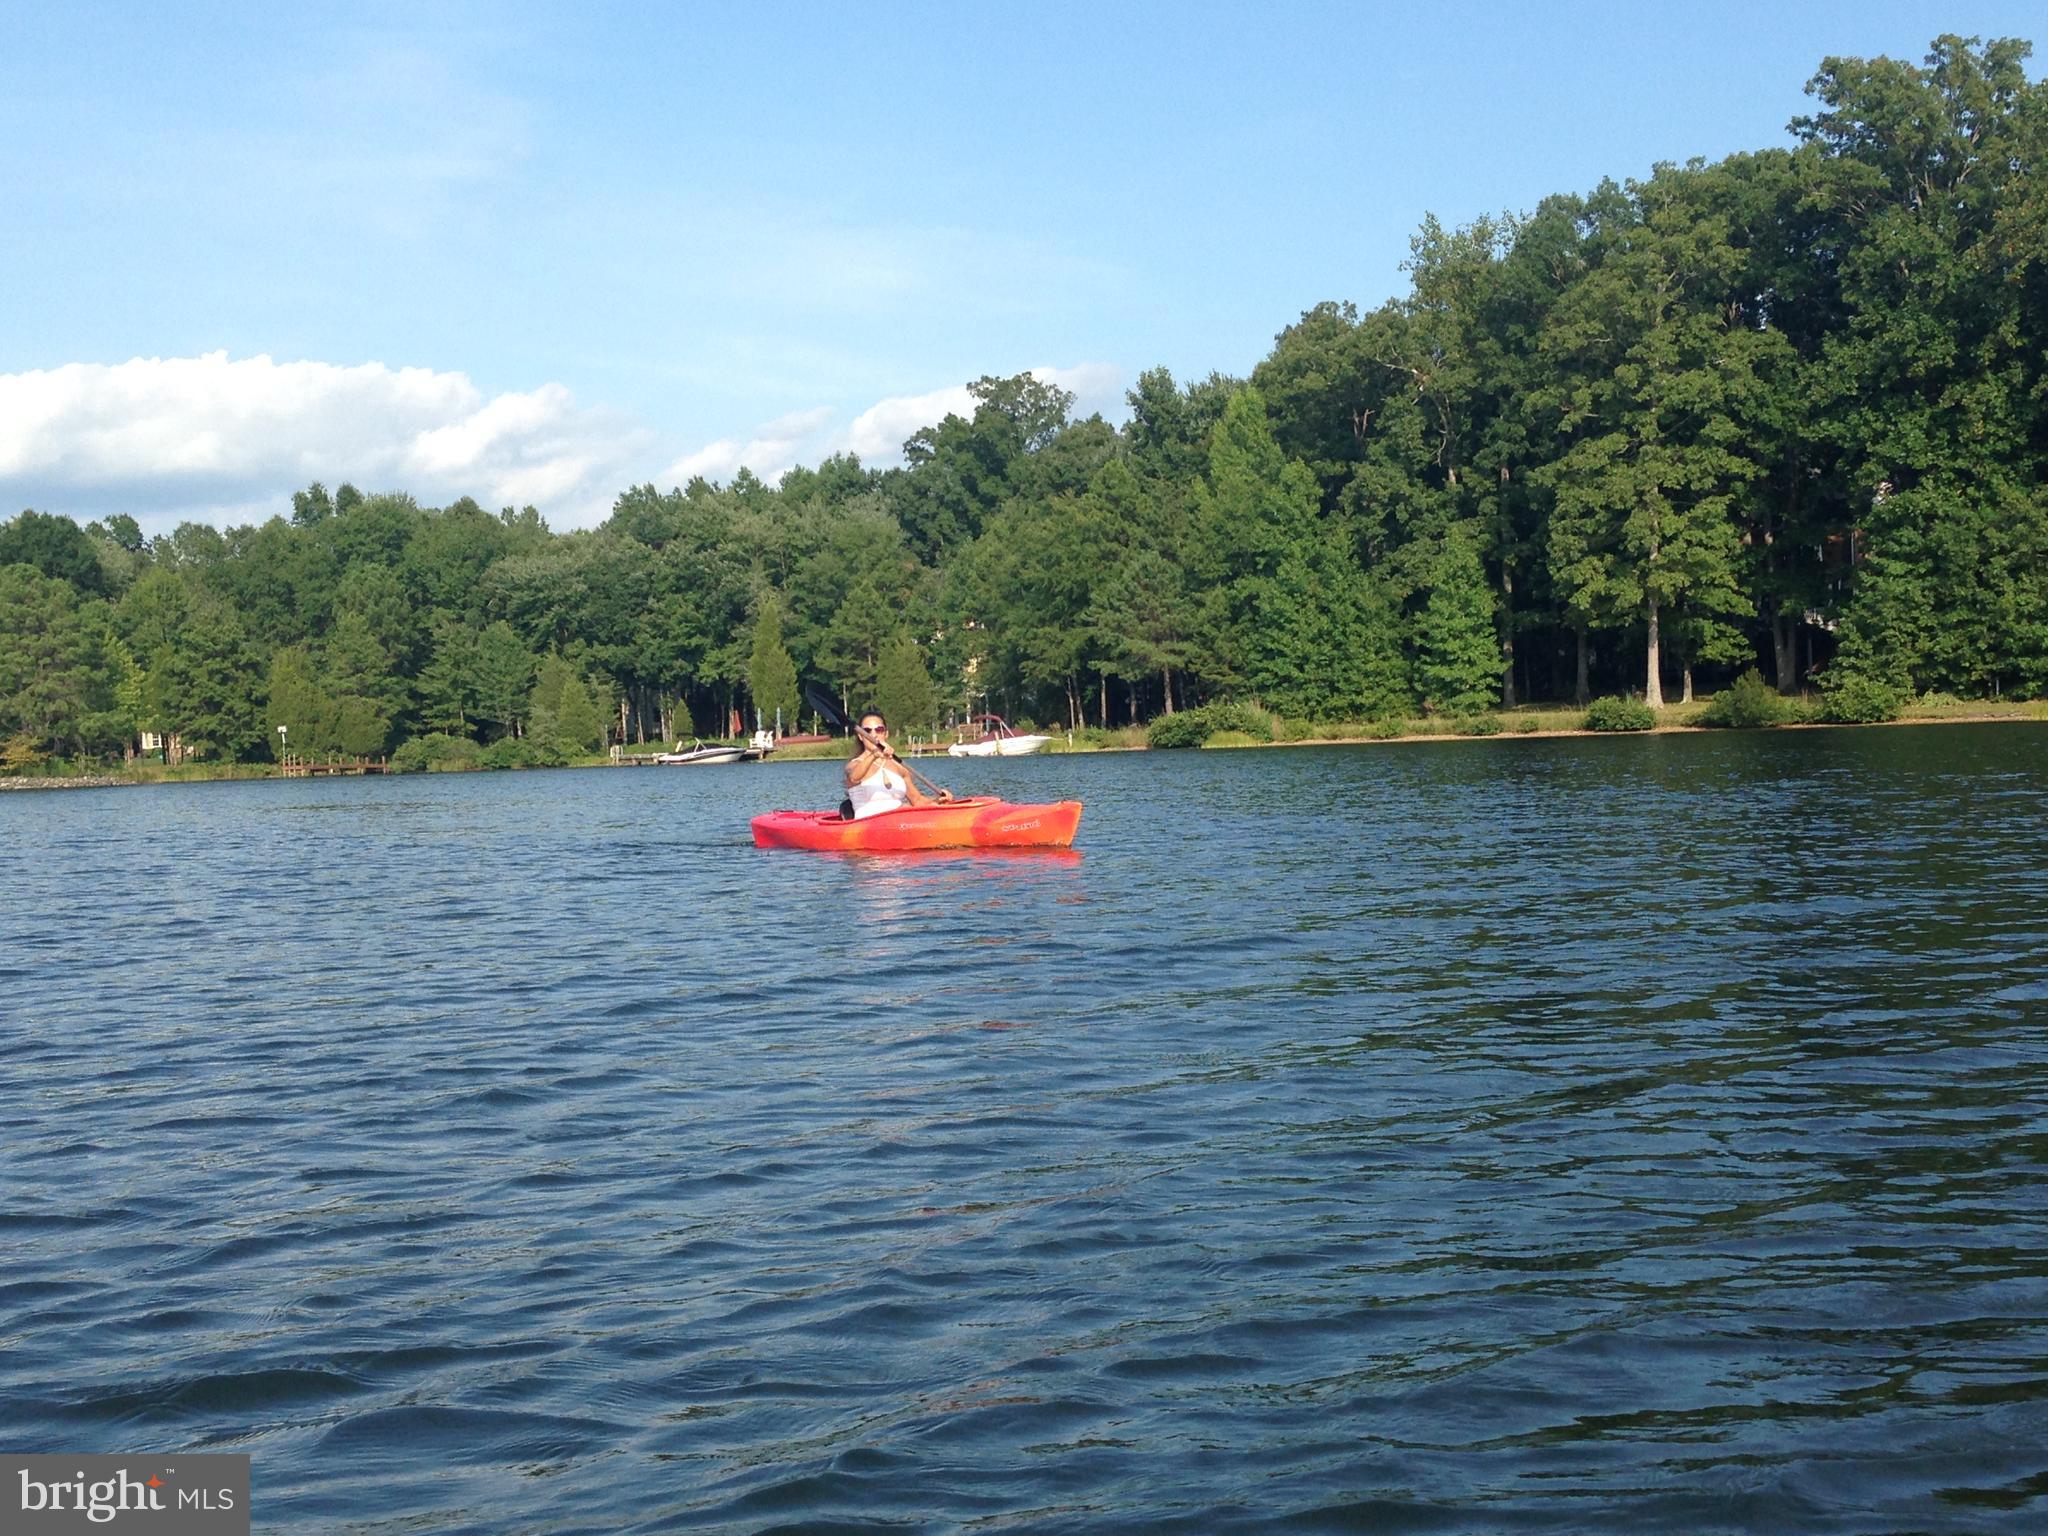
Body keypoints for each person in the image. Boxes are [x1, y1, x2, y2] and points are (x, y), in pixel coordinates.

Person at [843, 709, 952, 818]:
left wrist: (938, 800)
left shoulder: (899, 767)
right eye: (867, 731)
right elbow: (854, 778)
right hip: (868, 823)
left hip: (901, 821)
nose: (873, 735)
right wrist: (875, 754)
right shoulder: (854, 765)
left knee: (911, 808)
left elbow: (917, 801)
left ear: (886, 734)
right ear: (861, 736)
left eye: (879, 730)